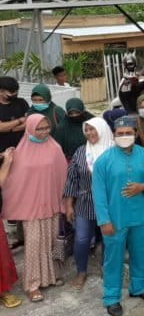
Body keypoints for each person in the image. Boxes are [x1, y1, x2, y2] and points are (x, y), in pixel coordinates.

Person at [92, 116, 144, 316]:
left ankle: (138, 288)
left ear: (135, 134)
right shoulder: (103, 161)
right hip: (115, 219)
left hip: (142, 217)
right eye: (120, 134)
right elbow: (98, 194)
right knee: (113, 260)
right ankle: (112, 297)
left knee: (140, 256)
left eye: (128, 133)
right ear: (114, 135)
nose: (124, 136)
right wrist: (104, 221)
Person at [0, 115, 67, 302]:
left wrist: (62, 201)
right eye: (39, 128)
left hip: (51, 205)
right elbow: (12, 180)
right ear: (29, 129)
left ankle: (50, 277)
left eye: (46, 127)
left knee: (51, 242)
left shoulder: (55, 148)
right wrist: (7, 159)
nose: (43, 131)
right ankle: (32, 284)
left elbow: (62, 175)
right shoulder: (20, 153)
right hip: (31, 208)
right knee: (34, 245)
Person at [64, 117, 114, 289]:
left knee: (109, 238)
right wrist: (69, 205)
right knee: (82, 238)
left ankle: (108, 270)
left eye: (93, 129)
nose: (89, 133)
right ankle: (81, 271)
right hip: (85, 201)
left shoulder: (114, 151)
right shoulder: (81, 152)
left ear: (102, 129)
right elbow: (72, 180)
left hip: (110, 202)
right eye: (87, 130)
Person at [0, 76, 29, 154]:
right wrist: (19, 120)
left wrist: (11, 129)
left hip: (22, 148)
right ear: (1, 91)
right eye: (12, 92)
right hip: (3, 151)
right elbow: (1, 128)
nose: (15, 94)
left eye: (16, 91)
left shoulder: (21, 102)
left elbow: (28, 121)